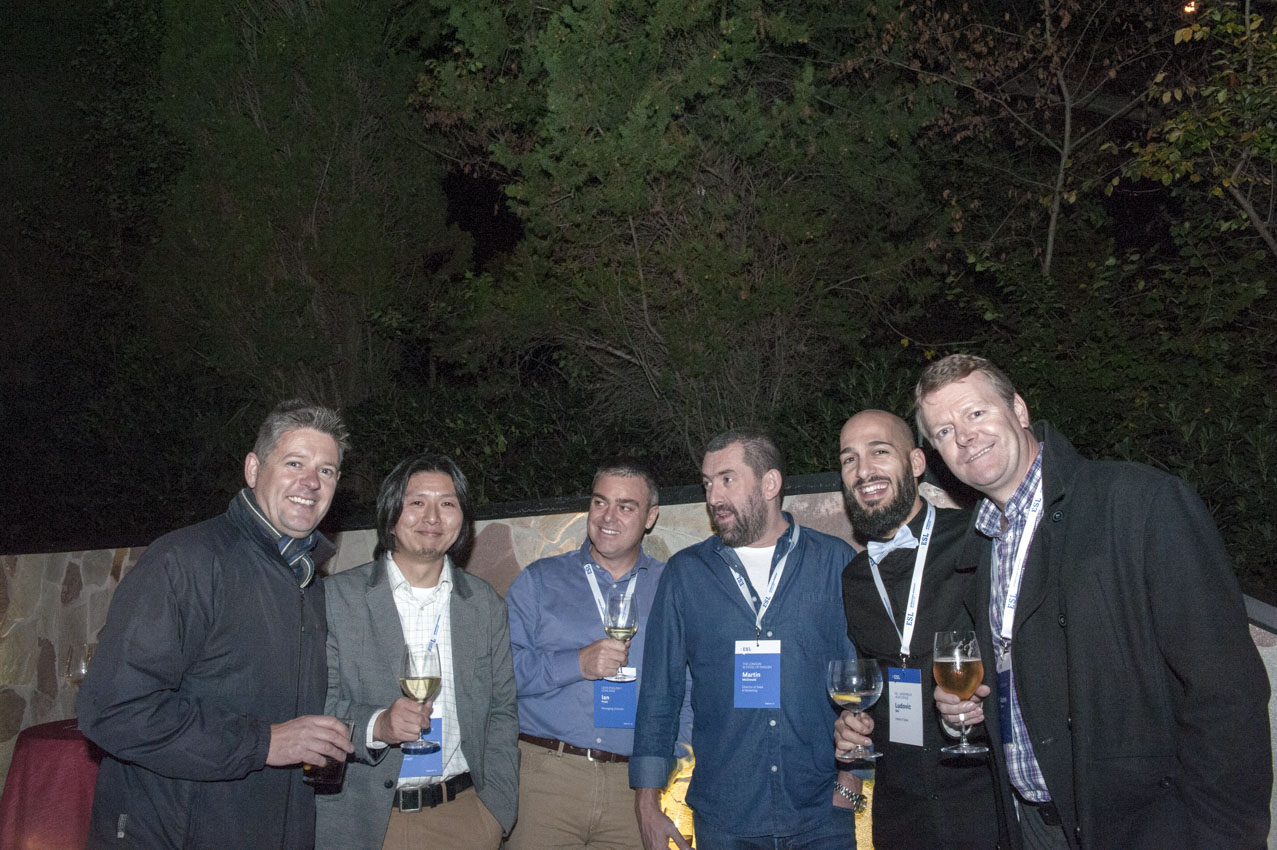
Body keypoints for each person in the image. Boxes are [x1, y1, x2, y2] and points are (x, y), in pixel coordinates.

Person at [914, 354, 1271, 848]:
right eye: (944, 432)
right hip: (1032, 825)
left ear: (1018, 410)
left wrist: (1223, 835)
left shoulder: (1138, 503)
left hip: (1146, 827)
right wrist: (973, 712)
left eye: (976, 413)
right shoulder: (984, 545)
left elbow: (1226, 694)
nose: (965, 436)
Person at [77, 400, 356, 848]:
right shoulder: (185, 562)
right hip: (173, 833)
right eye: (294, 463)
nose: (311, 481)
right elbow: (114, 711)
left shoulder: (306, 582)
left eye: (326, 471)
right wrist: (263, 743)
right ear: (253, 469)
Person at [632, 428, 861, 850]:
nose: (713, 497)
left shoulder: (835, 562)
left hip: (820, 815)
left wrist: (852, 780)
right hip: (724, 817)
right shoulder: (686, 574)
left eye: (727, 480)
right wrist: (647, 801)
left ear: (770, 484)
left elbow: (859, 681)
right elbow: (659, 693)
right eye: (707, 483)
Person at [316, 454, 518, 849]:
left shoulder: (485, 606)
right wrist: (378, 726)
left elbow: (502, 712)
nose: (432, 517)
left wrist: (496, 812)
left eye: (447, 503)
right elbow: (315, 703)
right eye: (417, 502)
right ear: (391, 515)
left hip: (464, 818)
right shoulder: (336, 599)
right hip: (365, 822)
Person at [832, 410, 1002, 849]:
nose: (863, 471)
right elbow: (876, 690)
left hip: (985, 805)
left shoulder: (977, 541)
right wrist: (854, 726)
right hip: (900, 816)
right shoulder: (854, 578)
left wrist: (986, 705)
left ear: (916, 463)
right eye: (849, 459)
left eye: (879, 452)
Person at [506, 461, 686, 849]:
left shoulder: (673, 588)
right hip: (545, 781)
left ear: (650, 517)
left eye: (625, 507)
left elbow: (687, 692)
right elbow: (501, 674)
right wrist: (576, 664)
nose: (608, 517)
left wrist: (661, 777)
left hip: (633, 791)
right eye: (600, 502)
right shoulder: (539, 580)